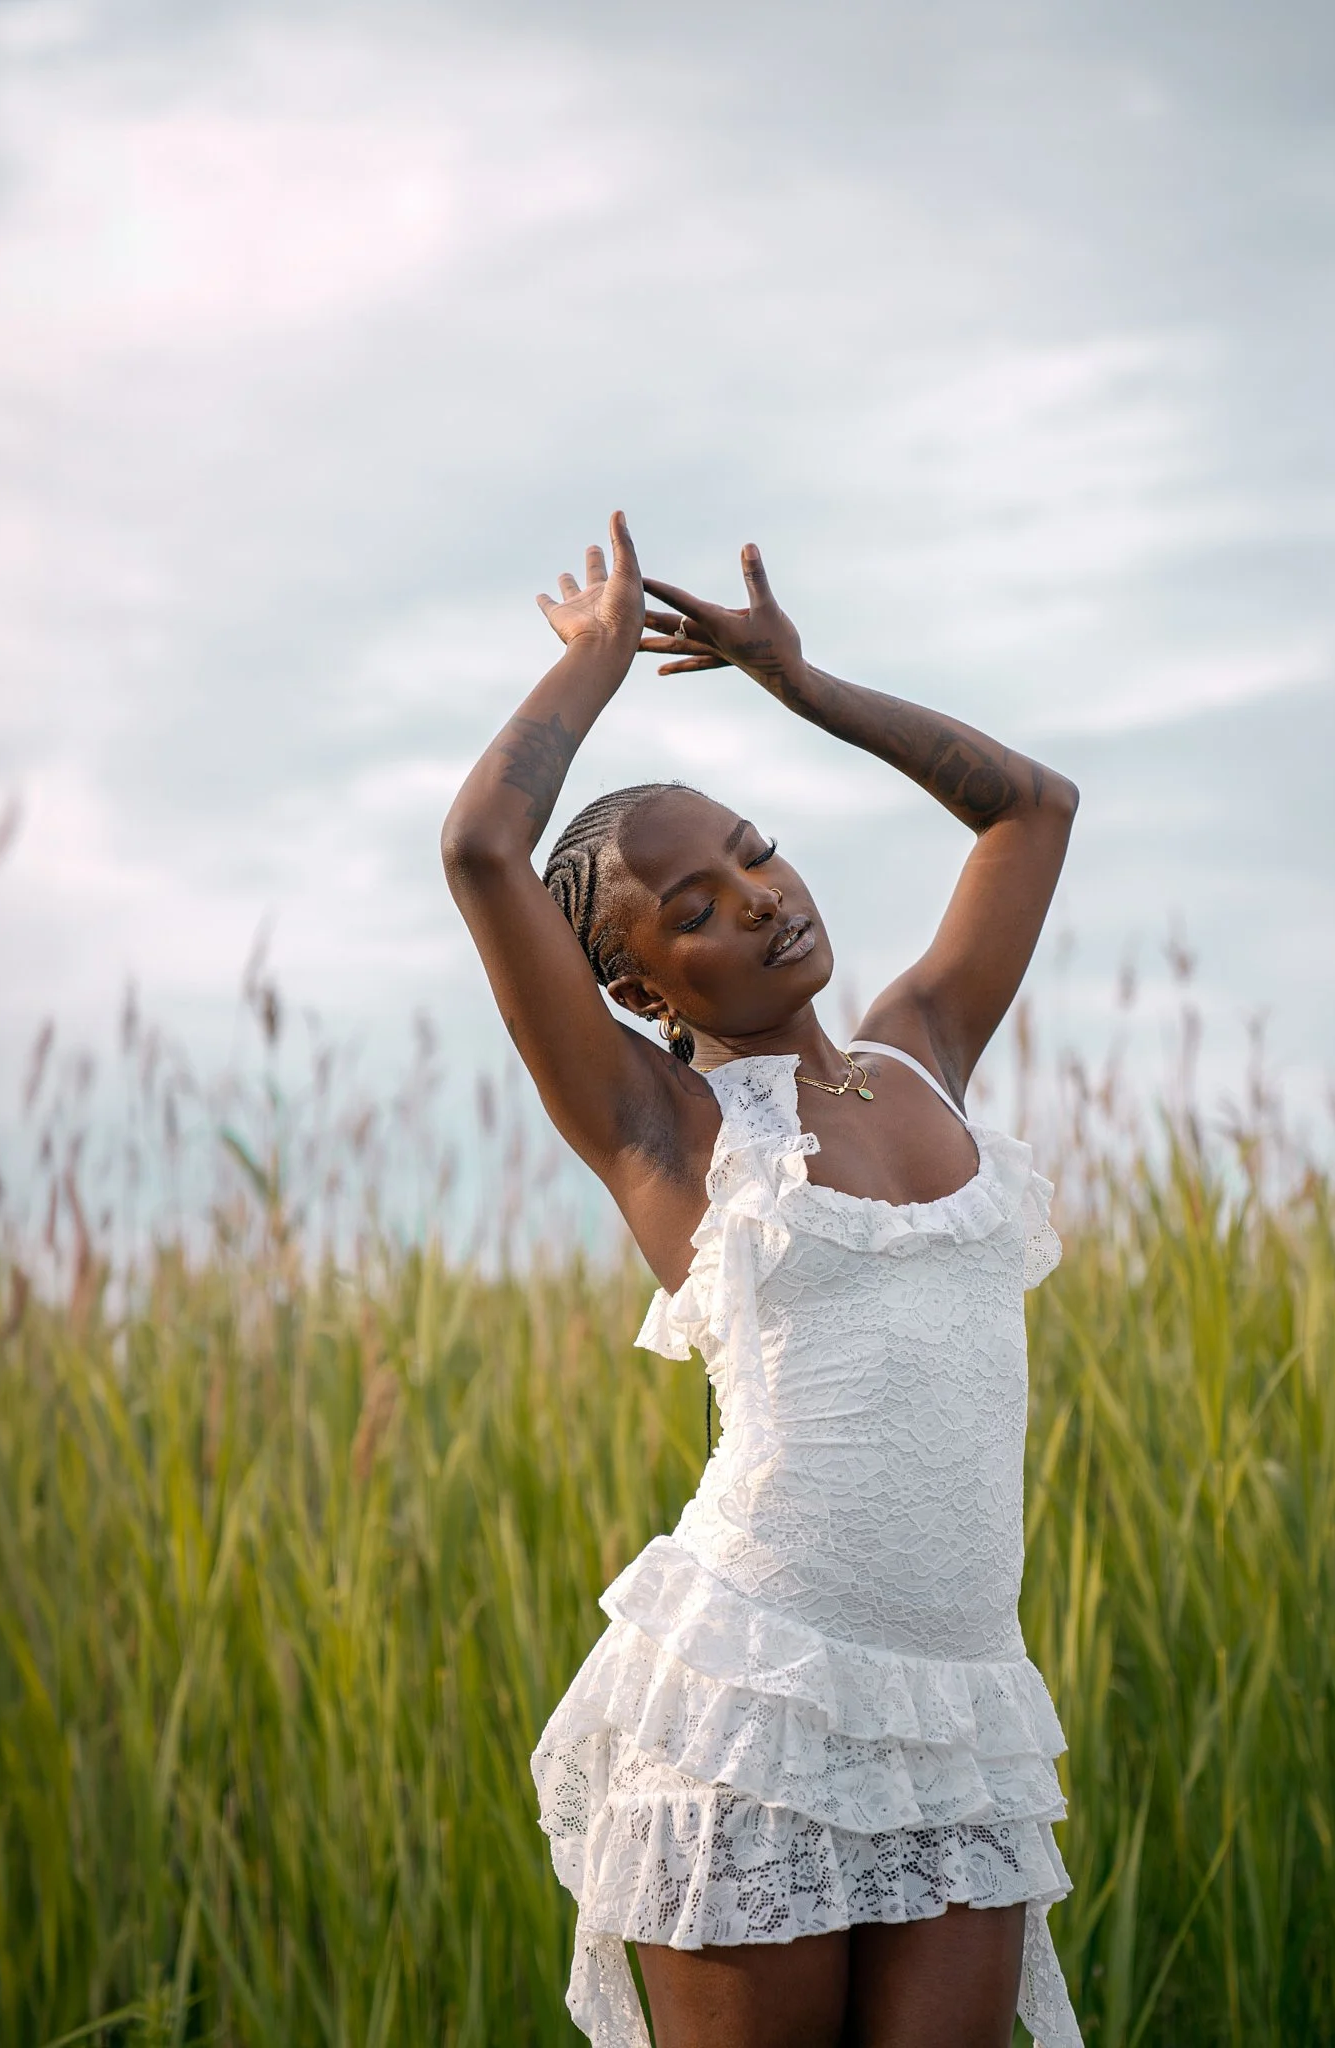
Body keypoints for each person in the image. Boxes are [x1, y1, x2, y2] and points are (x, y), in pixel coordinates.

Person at [440, 512, 1082, 2048]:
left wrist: (802, 688)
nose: (757, 895)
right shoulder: (661, 1127)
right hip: (749, 1704)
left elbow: (1033, 812)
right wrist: (597, 665)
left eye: (755, 849)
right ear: (638, 989)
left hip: (958, 1709)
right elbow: (479, 852)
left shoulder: (918, 1051)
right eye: (695, 909)